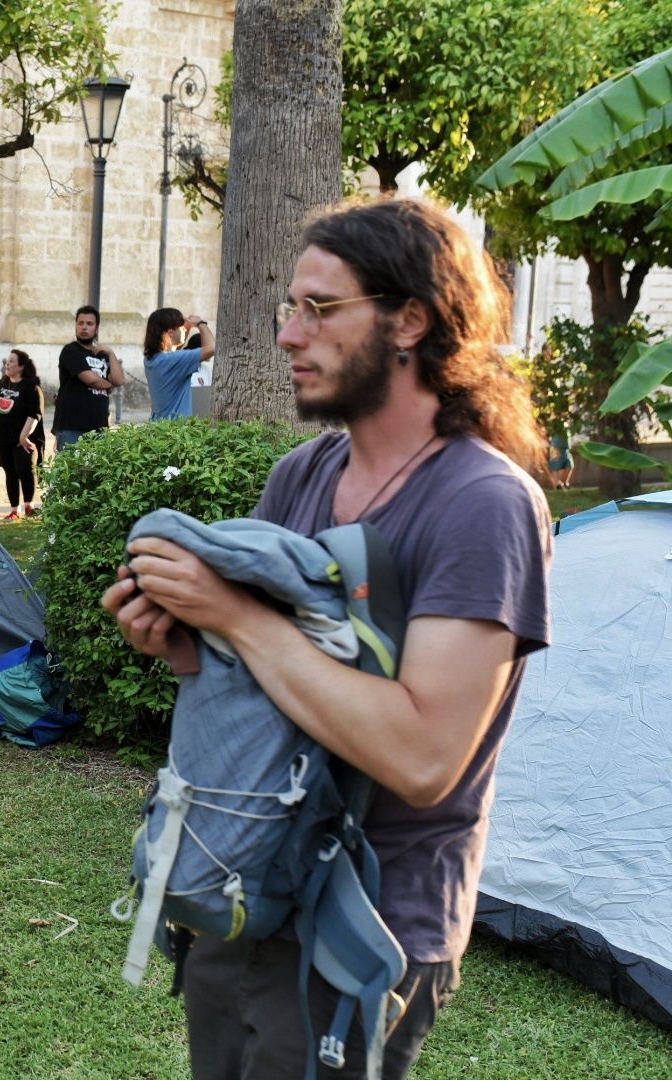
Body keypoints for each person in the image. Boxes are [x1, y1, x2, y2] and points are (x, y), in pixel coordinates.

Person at [102, 198, 552, 1078]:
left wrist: (235, 617)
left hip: (366, 920)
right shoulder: (302, 475)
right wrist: (183, 643)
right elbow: (272, 686)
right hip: (248, 886)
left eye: (320, 309)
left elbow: (424, 756)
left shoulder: (482, 505)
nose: (287, 335)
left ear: (409, 322)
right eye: (288, 308)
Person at [53, 304, 126, 448]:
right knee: (72, 470)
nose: (84, 327)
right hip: (72, 427)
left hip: (99, 427)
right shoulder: (70, 351)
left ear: (96, 328)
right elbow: (91, 380)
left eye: (89, 324)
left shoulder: (103, 354)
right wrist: (109, 384)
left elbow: (120, 379)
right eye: (80, 323)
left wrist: (111, 353)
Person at [0, 349, 43, 519]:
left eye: (12, 361)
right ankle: (15, 509)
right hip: (3, 436)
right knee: (10, 471)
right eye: (8, 360)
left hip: (23, 438)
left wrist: (24, 435)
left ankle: (29, 505)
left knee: (25, 469)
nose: (8, 363)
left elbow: (35, 413)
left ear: (21, 366)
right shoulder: (4, 382)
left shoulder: (31, 387)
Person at [142, 308, 215, 420]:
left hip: (159, 426)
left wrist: (186, 326)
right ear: (171, 333)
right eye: (181, 328)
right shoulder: (172, 360)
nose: (184, 330)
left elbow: (175, 349)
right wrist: (201, 323)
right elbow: (211, 348)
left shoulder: (152, 359)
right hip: (175, 431)